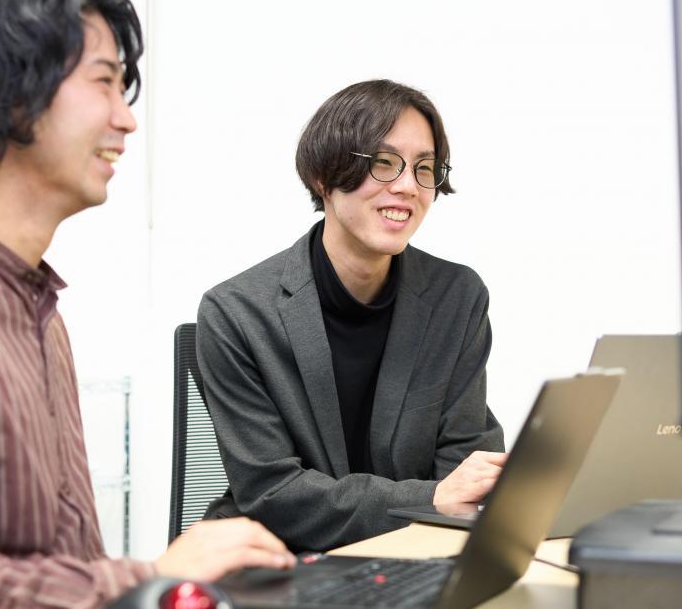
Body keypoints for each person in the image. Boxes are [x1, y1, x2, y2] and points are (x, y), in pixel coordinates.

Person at [0, 0, 293, 608]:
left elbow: (57, 563)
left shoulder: (38, 309)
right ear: (9, 95)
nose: (126, 119)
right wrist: (144, 577)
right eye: (104, 82)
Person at [197, 79, 507, 552]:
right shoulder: (236, 312)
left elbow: (467, 466)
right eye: (383, 163)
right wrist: (429, 499)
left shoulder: (457, 298)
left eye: (425, 168)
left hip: (415, 552)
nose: (407, 186)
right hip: (280, 557)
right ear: (323, 177)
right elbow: (273, 493)